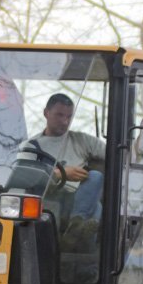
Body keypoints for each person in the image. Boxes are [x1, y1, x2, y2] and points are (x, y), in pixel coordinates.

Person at [27, 93, 105, 222]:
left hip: (78, 199)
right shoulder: (32, 146)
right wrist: (59, 174)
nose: (65, 121)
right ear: (46, 113)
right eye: (59, 115)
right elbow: (25, 179)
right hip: (49, 199)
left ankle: (76, 223)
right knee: (96, 210)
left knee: (95, 178)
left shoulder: (82, 141)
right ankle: (77, 229)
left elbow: (120, 154)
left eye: (69, 116)